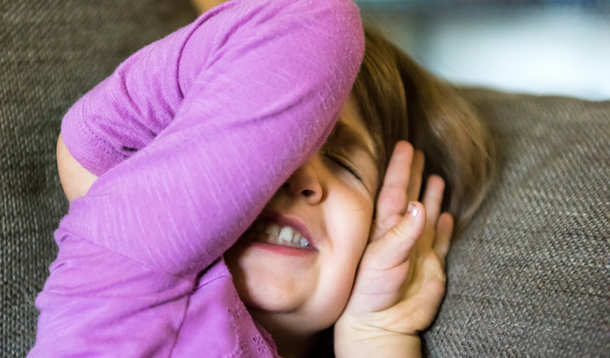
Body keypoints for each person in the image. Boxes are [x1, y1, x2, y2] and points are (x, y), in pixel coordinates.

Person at [32, 0, 494, 357]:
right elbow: (310, 20)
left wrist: (377, 333)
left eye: (344, 163)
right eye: (266, 148)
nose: (297, 175)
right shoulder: (128, 268)